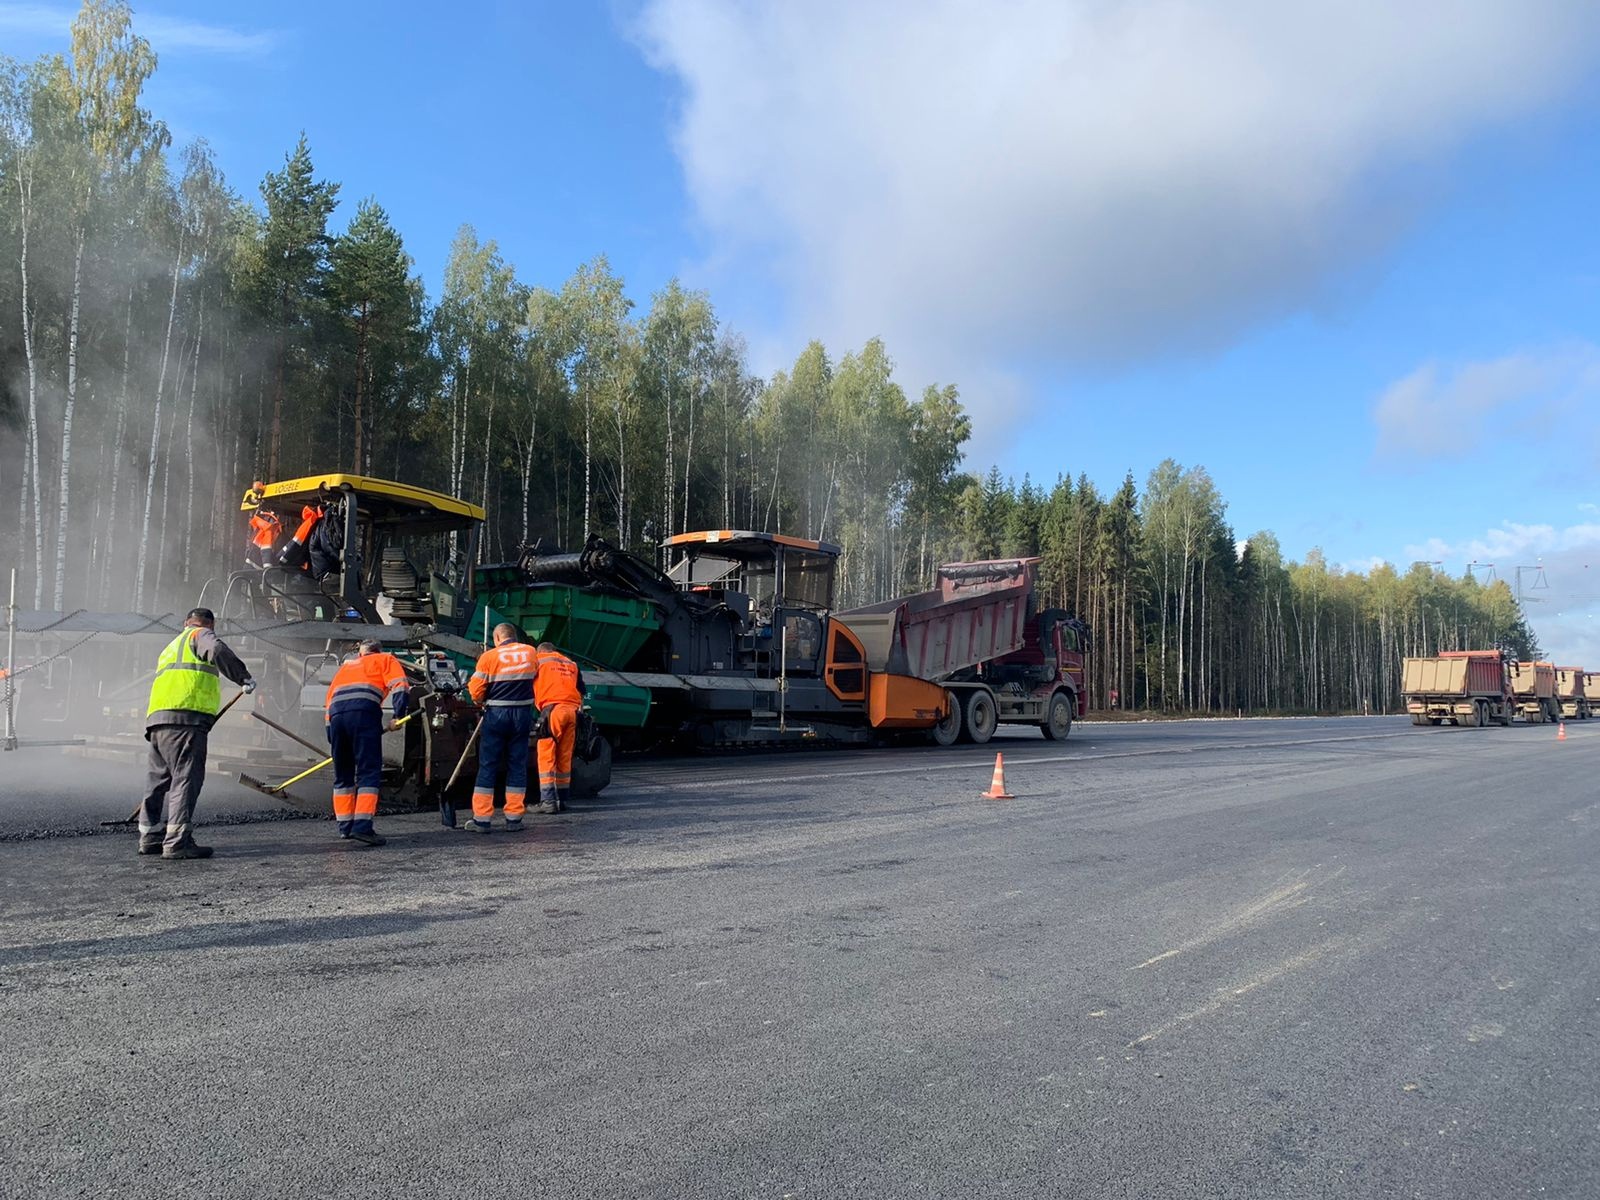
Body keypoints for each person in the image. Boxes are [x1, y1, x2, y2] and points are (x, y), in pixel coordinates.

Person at [140, 608, 255, 860]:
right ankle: (177, 842)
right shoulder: (200, 636)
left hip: (158, 720)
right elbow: (218, 651)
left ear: (185, 622)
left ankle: (150, 836)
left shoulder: (170, 646)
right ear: (211, 625)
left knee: (158, 780)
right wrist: (243, 677)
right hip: (186, 720)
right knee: (185, 778)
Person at [323, 638, 411, 846]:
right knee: (368, 771)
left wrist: (331, 734)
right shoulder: (385, 659)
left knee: (343, 774)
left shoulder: (346, 667)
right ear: (378, 650)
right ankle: (362, 827)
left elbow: (329, 701)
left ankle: (345, 827)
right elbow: (400, 686)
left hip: (336, 718)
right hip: (363, 714)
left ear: (361, 653)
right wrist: (398, 716)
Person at [464, 623, 536, 833]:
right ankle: (514, 819)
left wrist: (480, 701)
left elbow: (476, 691)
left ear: (497, 637)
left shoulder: (489, 656)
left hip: (497, 714)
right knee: (517, 765)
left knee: (488, 765)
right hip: (522, 715)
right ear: (514, 636)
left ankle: (482, 820)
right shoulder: (530, 652)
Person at [531, 641, 585, 814]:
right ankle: (562, 799)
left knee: (546, 755)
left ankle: (547, 801)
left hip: (552, 711)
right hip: (572, 712)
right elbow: (581, 689)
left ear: (541, 651)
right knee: (564, 756)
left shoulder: (538, 660)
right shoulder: (571, 663)